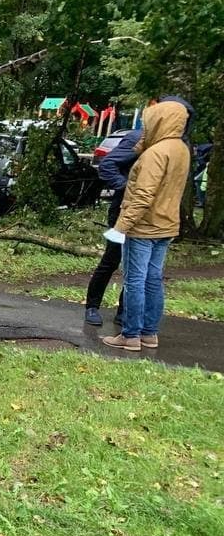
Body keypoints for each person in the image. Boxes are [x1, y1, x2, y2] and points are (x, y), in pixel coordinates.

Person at [100, 99, 191, 352]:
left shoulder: (155, 154)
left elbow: (142, 196)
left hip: (143, 226)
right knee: (153, 279)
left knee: (135, 281)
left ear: (159, 121)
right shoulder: (180, 149)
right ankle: (150, 333)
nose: (146, 125)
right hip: (167, 224)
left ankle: (130, 335)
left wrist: (121, 226)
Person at [83, 123, 144, 325]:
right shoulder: (138, 138)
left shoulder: (175, 143)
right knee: (111, 259)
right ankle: (92, 306)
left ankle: (123, 312)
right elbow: (107, 165)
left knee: (137, 265)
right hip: (122, 209)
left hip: (148, 214)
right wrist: (126, 188)